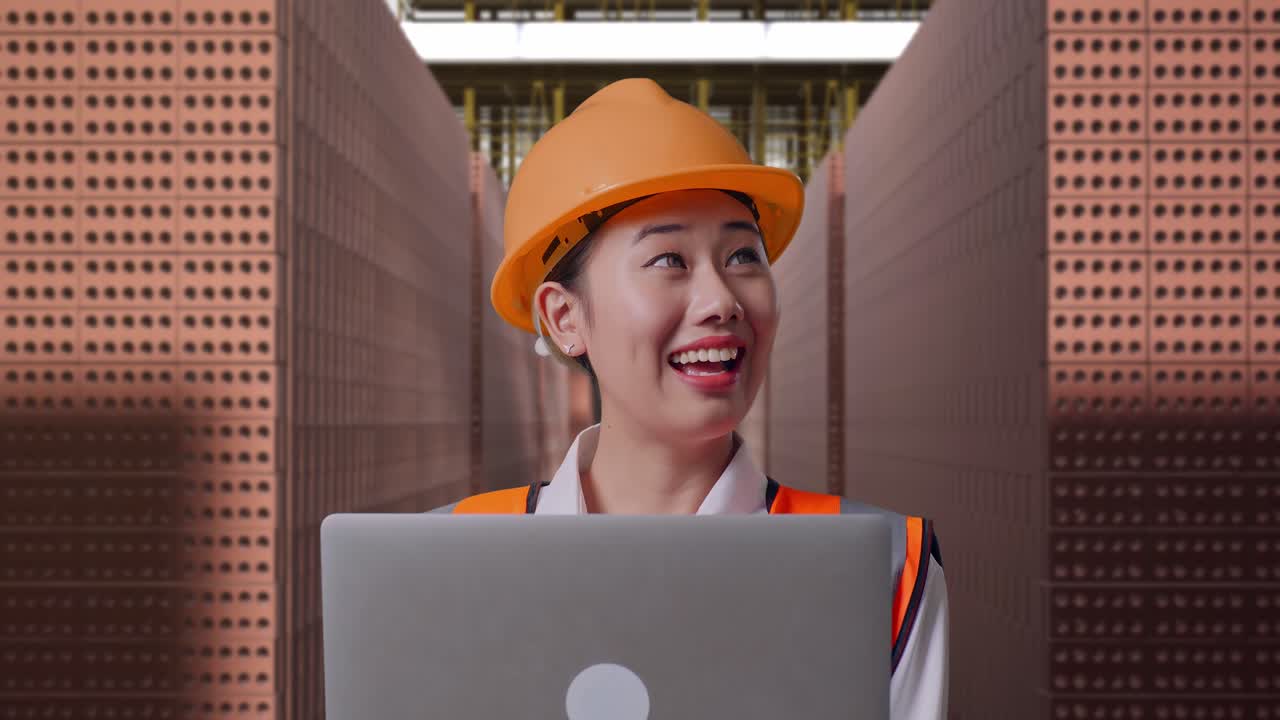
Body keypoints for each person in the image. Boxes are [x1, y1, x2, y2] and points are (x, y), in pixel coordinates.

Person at [433, 77, 948, 719]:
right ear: (565, 317)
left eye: (742, 256)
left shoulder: (881, 565)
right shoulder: (451, 561)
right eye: (669, 261)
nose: (722, 301)